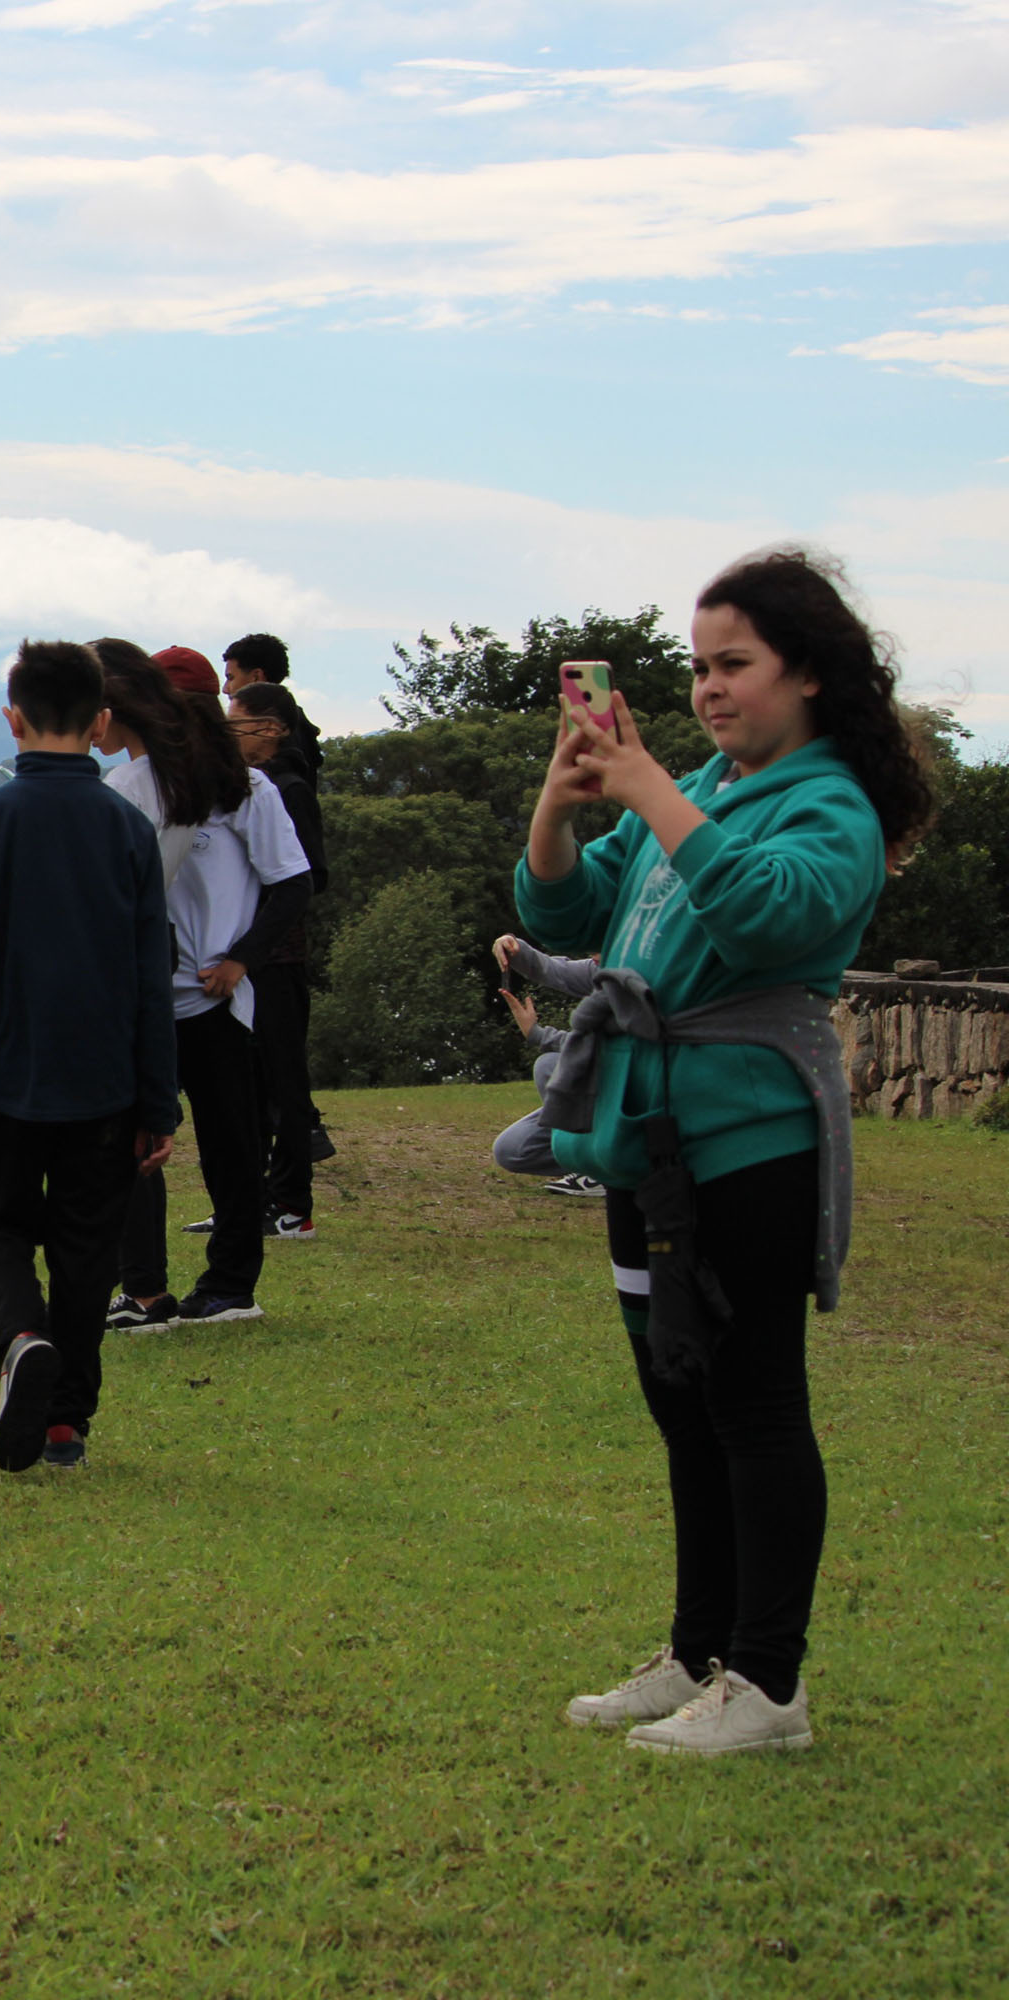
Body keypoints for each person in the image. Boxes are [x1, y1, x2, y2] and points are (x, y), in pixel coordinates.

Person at [520, 547, 924, 1757]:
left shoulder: (830, 801)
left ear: (807, 672)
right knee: (678, 1395)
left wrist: (648, 786)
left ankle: (769, 1680)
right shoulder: (696, 782)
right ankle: (699, 1652)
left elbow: (768, 911)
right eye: (698, 666)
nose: (708, 688)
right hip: (649, 1135)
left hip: (749, 1136)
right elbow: (562, 909)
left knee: (751, 1396)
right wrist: (565, 791)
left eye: (734, 664)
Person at [0, 639, 180, 1474]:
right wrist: (159, 1102)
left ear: (13, 718)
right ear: (103, 720)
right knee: (86, 1251)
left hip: (5, 1077)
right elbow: (154, 974)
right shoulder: (127, 827)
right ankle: (66, 1421)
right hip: (106, 1082)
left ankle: (20, 1339)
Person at [94, 644, 311, 1327]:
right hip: (145, 999)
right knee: (134, 1142)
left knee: (231, 1146)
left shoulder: (244, 788)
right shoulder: (123, 790)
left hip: (216, 1000)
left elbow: (293, 883)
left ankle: (230, 1286)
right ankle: (145, 1289)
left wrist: (242, 959)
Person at [227, 679, 334, 1236]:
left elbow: (310, 875)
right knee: (248, 1085)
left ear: (270, 728)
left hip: (276, 960)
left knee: (284, 1086)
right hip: (246, 959)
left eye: (235, 724)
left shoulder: (288, 788)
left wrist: (258, 927)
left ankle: (292, 1203)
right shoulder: (249, 786)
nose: (228, 735)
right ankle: (251, 1200)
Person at [488, 934, 604, 1192]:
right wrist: (515, 948)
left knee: (549, 1066)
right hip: (604, 1100)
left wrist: (538, 1035)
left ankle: (601, 1171)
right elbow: (555, 970)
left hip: (634, 1099)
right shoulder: (601, 970)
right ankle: (590, 1163)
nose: (592, 953)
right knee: (512, 1150)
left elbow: (601, 1048)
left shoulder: (644, 979)